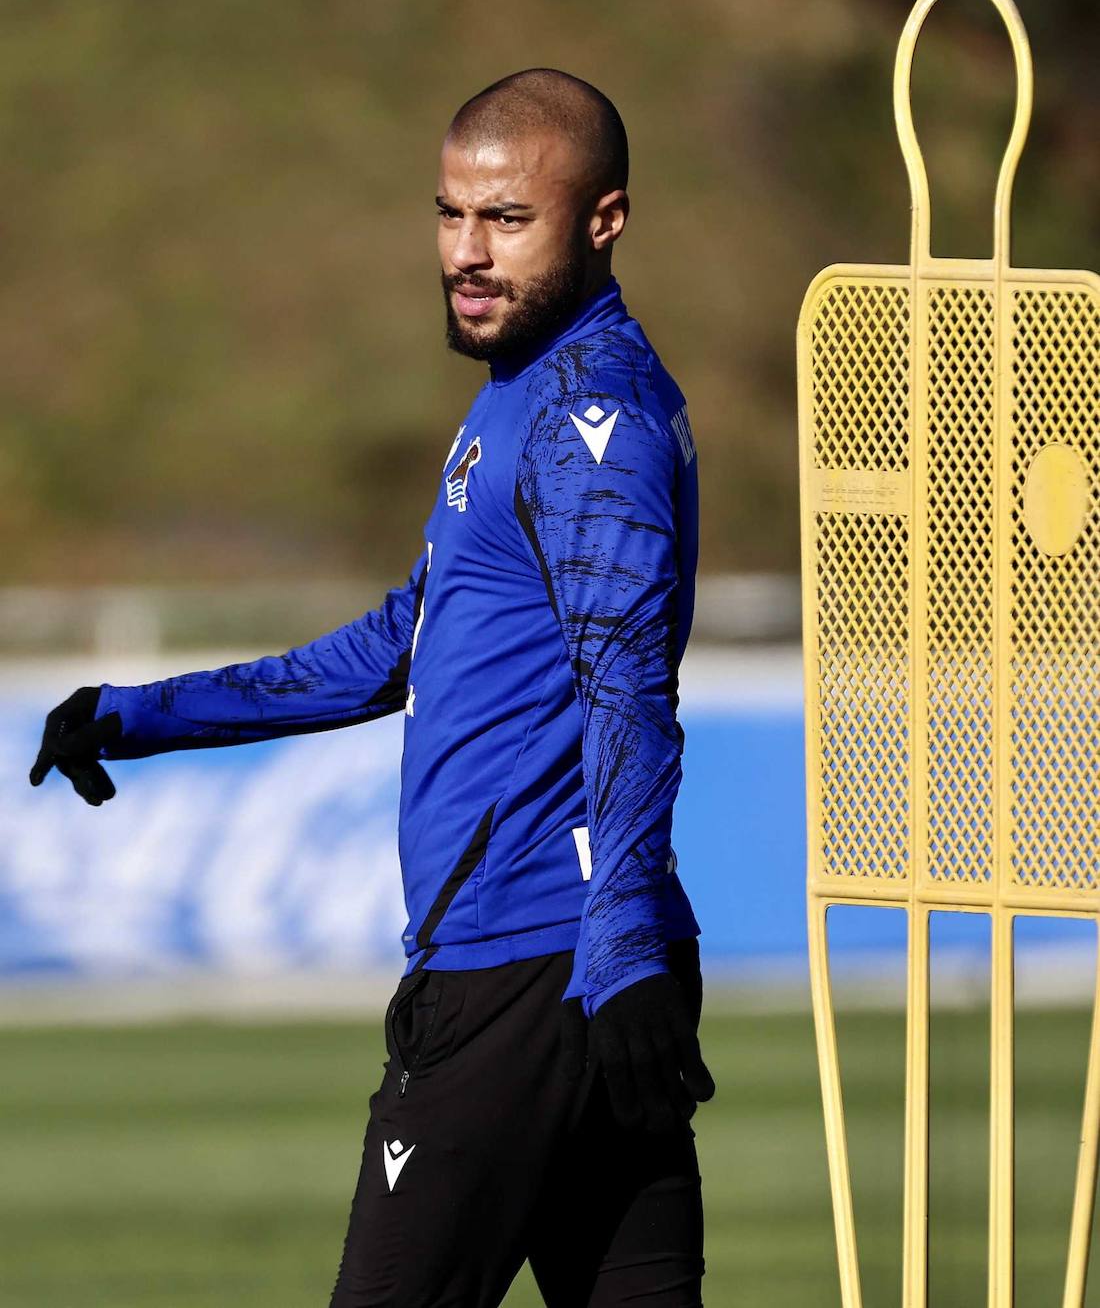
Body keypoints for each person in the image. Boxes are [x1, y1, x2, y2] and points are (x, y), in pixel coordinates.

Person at [29, 68, 714, 1308]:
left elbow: (626, 688)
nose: (465, 253)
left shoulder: (587, 414)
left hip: (529, 966)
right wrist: (144, 715)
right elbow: (404, 643)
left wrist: (616, 944)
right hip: (579, 961)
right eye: (449, 213)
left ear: (604, 219)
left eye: (506, 220)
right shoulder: (520, 391)